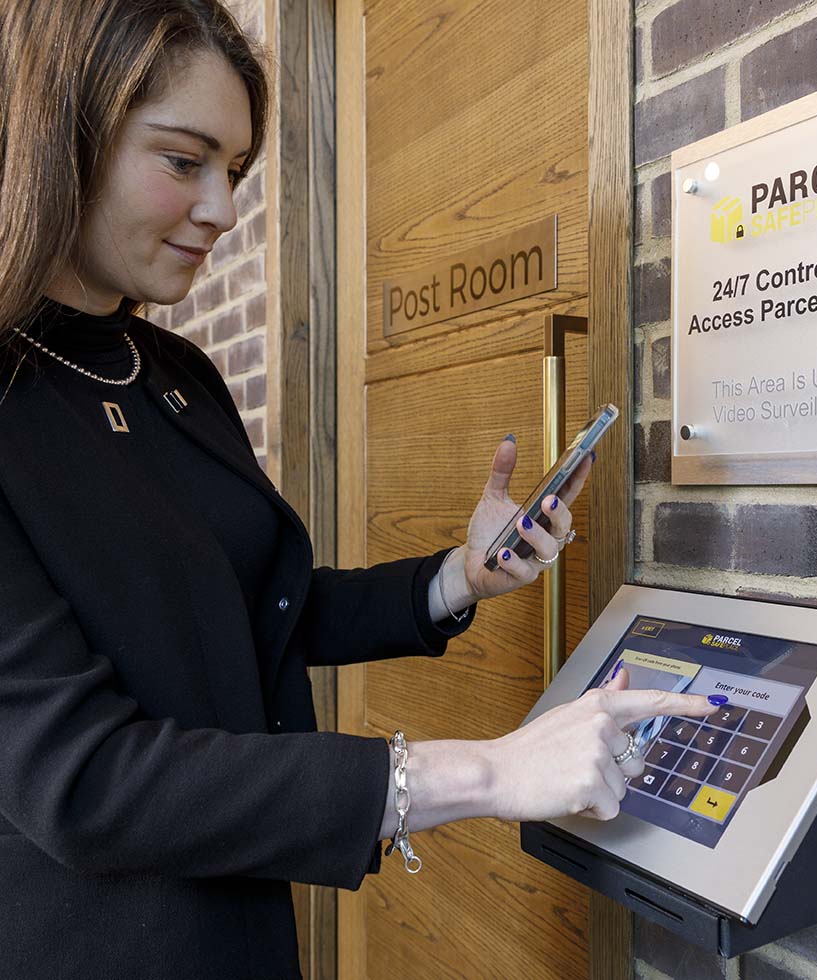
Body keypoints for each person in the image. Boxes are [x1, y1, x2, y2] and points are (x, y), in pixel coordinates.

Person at [0, 2, 718, 978]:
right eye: (183, 161)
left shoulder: (170, 370)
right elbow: (84, 781)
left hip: (243, 922)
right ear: (61, 137)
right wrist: (490, 769)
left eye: (237, 172)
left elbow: (260, 610)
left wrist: (457, 579)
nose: (220, 208)